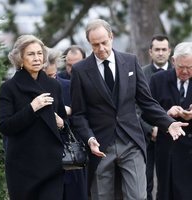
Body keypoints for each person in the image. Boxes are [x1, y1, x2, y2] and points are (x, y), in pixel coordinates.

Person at [70, 18, 188, 200]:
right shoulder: (80, 70)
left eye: (104, 42)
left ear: (111, 37)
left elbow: (146, 102)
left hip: (131, 141)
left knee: (138, 197)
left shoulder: (130, 61)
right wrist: (89, 138)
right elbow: (78, 114)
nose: (101, 48)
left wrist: (168, 123)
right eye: (95, 45)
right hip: (100, 146)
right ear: (89, 43)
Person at [0, 35, 67, 200]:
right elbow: (5, 126)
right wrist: (32, 108)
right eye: (31, 54)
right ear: (20, 58)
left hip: (51, 165)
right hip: (22, 168)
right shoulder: (9, 88)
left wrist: (62, 123)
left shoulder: (53, 85)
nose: (37, 58)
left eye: (39, 53)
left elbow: (65, 122)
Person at [149, 42, 192, 200]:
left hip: (190, 149)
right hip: (167, 148)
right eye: (181, 67)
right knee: (166, 192)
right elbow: (147, 112)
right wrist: (166, 115)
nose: (186, 71)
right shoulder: (158, 80)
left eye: (190, 67)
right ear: (173, 61)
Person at [44, 47, 88, 200]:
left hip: (70, 155)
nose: (52, 79)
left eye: (54, 75)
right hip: (46, 158)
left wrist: (67, 113)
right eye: (47, 76)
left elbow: (83, 115)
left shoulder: (68, 86)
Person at [141, 34, 172, 200]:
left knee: (169, 180)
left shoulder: (177, 73)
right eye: (157, 50)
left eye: (164, 49)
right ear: (150, 52)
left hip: (171, 136)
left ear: (169, 51)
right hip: (147, 136)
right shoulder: (142, 73)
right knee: (146, 181)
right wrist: (150, 129)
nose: (160, 53)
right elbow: (135, 106)